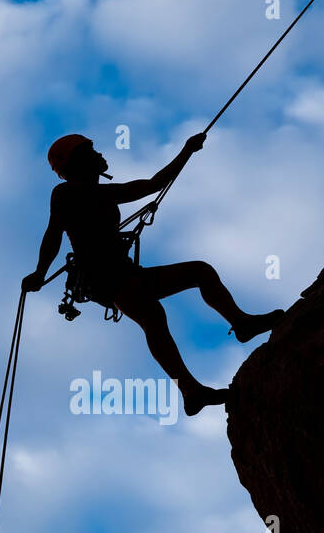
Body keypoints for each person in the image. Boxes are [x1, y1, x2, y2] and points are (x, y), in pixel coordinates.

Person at [22, 133, 284, 415]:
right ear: (77, 162)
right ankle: (236, 331)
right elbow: (53, 235)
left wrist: (187, 151)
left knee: (157, 316)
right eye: (91, 151)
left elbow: (153, 185)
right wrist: (39, 272)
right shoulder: (67, 193)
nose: (99, 154)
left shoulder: (102, 194)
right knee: (195, 277)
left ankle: (192, 389)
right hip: (111, 279)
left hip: (117, 279)